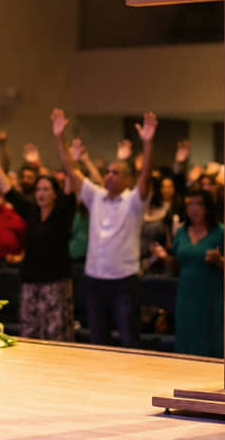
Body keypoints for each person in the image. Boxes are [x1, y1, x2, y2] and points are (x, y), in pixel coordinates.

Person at [52, 108, 155, 348]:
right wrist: (60, 138)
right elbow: (71, 170)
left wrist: (148, 145)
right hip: (94, 280)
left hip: (123, 281)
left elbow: (146, 177)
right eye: (107, 171)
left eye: (115, 173)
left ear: (127, 180)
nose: (108, 176)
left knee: (129, 340)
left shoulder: (133, 202)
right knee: (98, 342)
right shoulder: (95, 197)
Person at [0, 138, 75, 340]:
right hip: (30, 281)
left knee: (55, 334)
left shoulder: (63, 212)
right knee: (30, 332)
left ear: (55, 194)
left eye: (46, 189)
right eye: (39, 189)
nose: (41, 193)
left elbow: (70, 181)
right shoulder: (31, 211)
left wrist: (61, 143)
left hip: (55, 282)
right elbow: (9, 191)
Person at [150, 189, 223, 357]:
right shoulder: (181, 231)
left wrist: (219, 261)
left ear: (208, 207)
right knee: (186, 336)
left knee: (209, 338)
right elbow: (176, 264)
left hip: (211, 294)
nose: (194, 209)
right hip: (186, 293)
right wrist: (164, 257)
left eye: (199, 204)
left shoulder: (220, 232)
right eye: (190, 204)